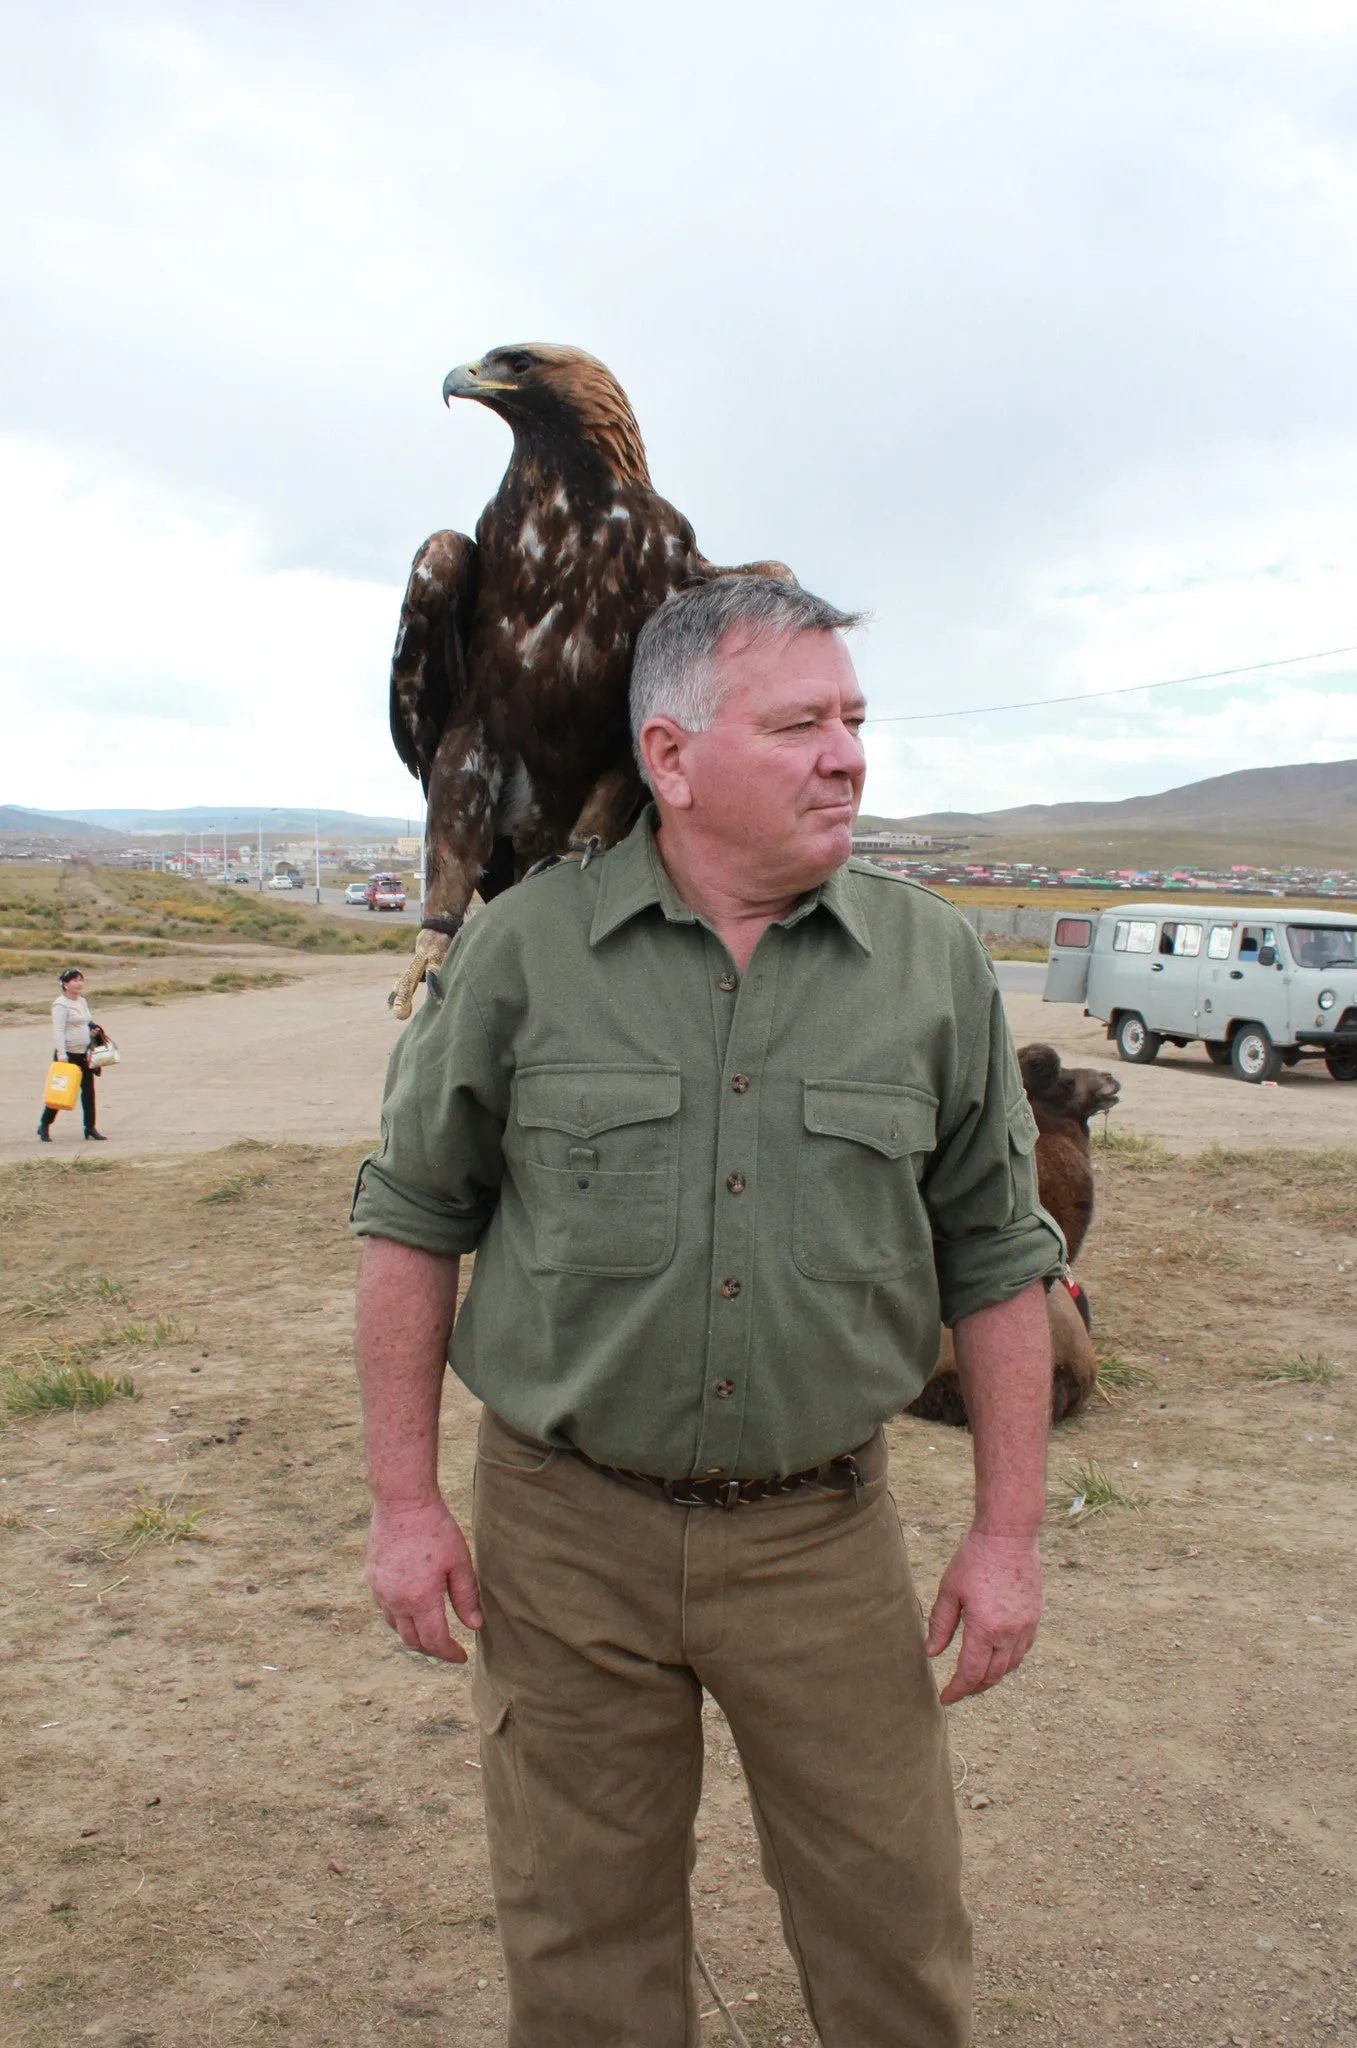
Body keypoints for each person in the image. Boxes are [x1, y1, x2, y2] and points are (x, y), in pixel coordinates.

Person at [351, 576, 1064, 2048]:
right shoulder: (526, 950)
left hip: (823, 1540)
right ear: (670, 758)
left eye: (855, 720)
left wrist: (1006, 1536)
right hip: (564, 1542)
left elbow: (998, 1252)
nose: (848, 756)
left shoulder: (931, 968)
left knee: (894, 1939)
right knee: (584, 1951)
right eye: (799, 722)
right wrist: (402, 1504)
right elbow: (414, 1215)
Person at [38, 967, 105, 1143]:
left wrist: (93, 1033)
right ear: (65, 984)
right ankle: (44, 1125)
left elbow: (86, 1023)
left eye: (81, 980)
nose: (79, 983)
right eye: (75, 980)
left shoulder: (82, 1001)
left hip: (85, 1054)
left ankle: (90, 1128)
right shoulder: (60, 1005)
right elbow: (59, 1031)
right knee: (60, 1092)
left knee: (88, 1092)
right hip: (67, 1055)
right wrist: (62, 1054)